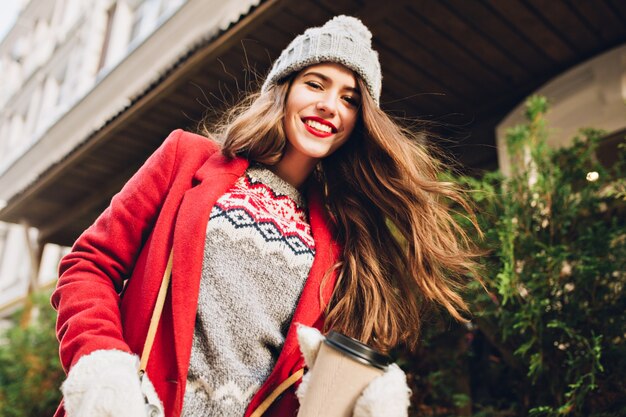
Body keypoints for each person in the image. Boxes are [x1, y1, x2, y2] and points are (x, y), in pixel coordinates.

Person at [52, 15, 480, 417]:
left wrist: (357, 399)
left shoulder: (344, 240)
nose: (331, 105)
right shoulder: (185, 158)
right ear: (284, 88)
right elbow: (88, 266)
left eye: (349, 99)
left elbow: (301, 384)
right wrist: (101, 367)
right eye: (316, 84)